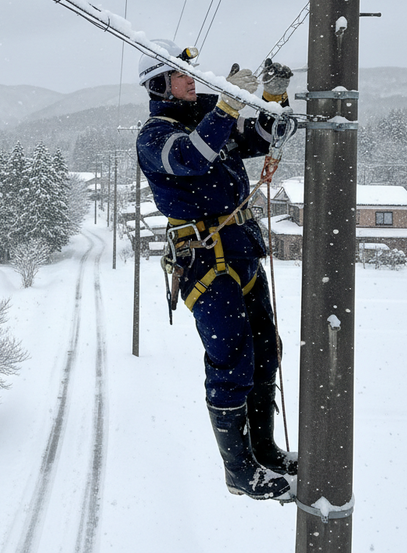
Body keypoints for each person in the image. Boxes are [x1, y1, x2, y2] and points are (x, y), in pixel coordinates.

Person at [136, 39, 297, 501]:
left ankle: (263, 448)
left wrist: (271, 99)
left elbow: (266, 138)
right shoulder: (155, 135)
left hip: (239, 247)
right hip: (204, 257)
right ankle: (238, 469)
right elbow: (190, 156)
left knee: (267, 349)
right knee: (232, 361)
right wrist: (226, 107)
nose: (193, 79)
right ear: (161, 84)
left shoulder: (209, 116)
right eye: (182, 75)